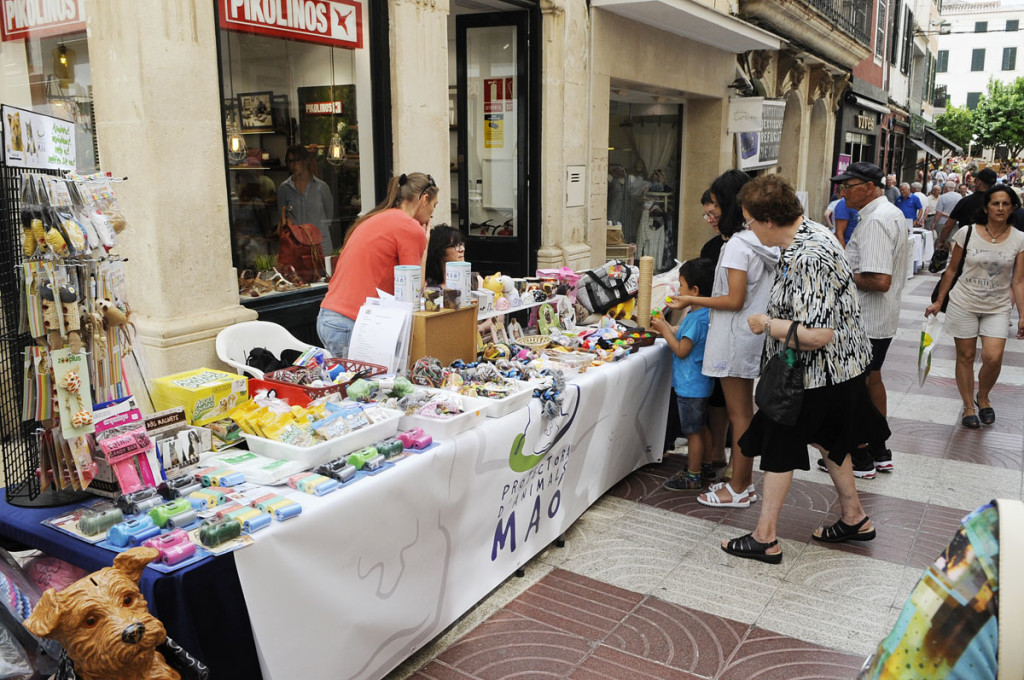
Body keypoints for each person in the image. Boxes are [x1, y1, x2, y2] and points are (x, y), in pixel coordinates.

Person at [720, 174, 888, 564]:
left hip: (814, 373)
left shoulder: (807, 256)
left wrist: (767, 325)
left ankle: (765, 537)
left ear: (767, 220)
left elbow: (817, 335)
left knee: (779, 447)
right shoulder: (813, 233)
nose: (747, 228)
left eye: (749, 220)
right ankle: (855, 517)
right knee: (831, 440)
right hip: (840, 369)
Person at [671, 169, 777, 508]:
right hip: (748, 335)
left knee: (739, 414)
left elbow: (733, 300)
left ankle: (739, 485)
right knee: (742, 413)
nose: (711, 213)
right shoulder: (758, 241)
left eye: (715, 204)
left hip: (734, 336)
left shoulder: (736, 245)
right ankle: (741, 481)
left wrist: (692, 300)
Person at [830, 161, 909, 475]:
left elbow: (879, 280)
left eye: (848, 186)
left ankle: (860, 455)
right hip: (879, 319)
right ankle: (879, 449)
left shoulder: (876, 220)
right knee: (871, 380)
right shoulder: (887, 214)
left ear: (870, 187)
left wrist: (840, 275)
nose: (843, 192)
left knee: (855, 388)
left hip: (867, 320)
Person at [926, 184, 1024, 428]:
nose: (1000, 208)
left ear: (1012, 207)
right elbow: (951, 270)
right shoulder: (967, 232)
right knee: (966, 355)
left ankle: (984, 395)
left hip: (998, 305)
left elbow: (1018, 280)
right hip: (964, 302)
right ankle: (969, 405)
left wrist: (1022, 315)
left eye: (1005, 203)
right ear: (986, 207)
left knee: (993, 356)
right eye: (995, 203)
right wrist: (939, 301)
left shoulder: (1020, 238)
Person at [317, 172, 439, 357]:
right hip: (353, 322)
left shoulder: (377, 217)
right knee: (365, 385)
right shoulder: (411, 228)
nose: (433, 213)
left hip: (329, 316)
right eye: (434, 206)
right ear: (424, 199)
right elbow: (414, 292)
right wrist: (426, 243)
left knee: (348, 383)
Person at [650, 258, 716, 490]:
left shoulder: (696, 320)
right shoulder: (704, 312)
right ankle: (706, 465)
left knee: (693, 433)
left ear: (695, 290)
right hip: (701, 383)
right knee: (701, 427)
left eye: (681, 285)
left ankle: (693, 475)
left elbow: (680, 350)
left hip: (690, 385)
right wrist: (665, 326)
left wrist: (663, 330)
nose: (678, 290)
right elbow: (681, 336)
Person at [696, 189, 729, 472]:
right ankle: (714, 451)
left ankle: (722, 453)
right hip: (710, 326)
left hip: (734, 331)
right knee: (713, 394)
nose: (709, 219)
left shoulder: (747, 245)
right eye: (706, 214)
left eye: (713, 213)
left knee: (727, 397)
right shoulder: (710, 248)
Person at [278, 145, 335, 254]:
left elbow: (329, 217)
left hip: (321, 244)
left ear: (306, 161)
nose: (293, 165)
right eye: (290, 161)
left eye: (296, 160)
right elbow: (282, 218)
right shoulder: (284, 189)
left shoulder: (321, 187)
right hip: (296, 246)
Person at [940, 168, 997, 247]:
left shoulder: (965, 201)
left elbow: (949, 225)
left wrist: (941, 241)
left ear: (979, 182)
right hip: (993, 244)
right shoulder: (998, 203)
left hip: (967, 244)